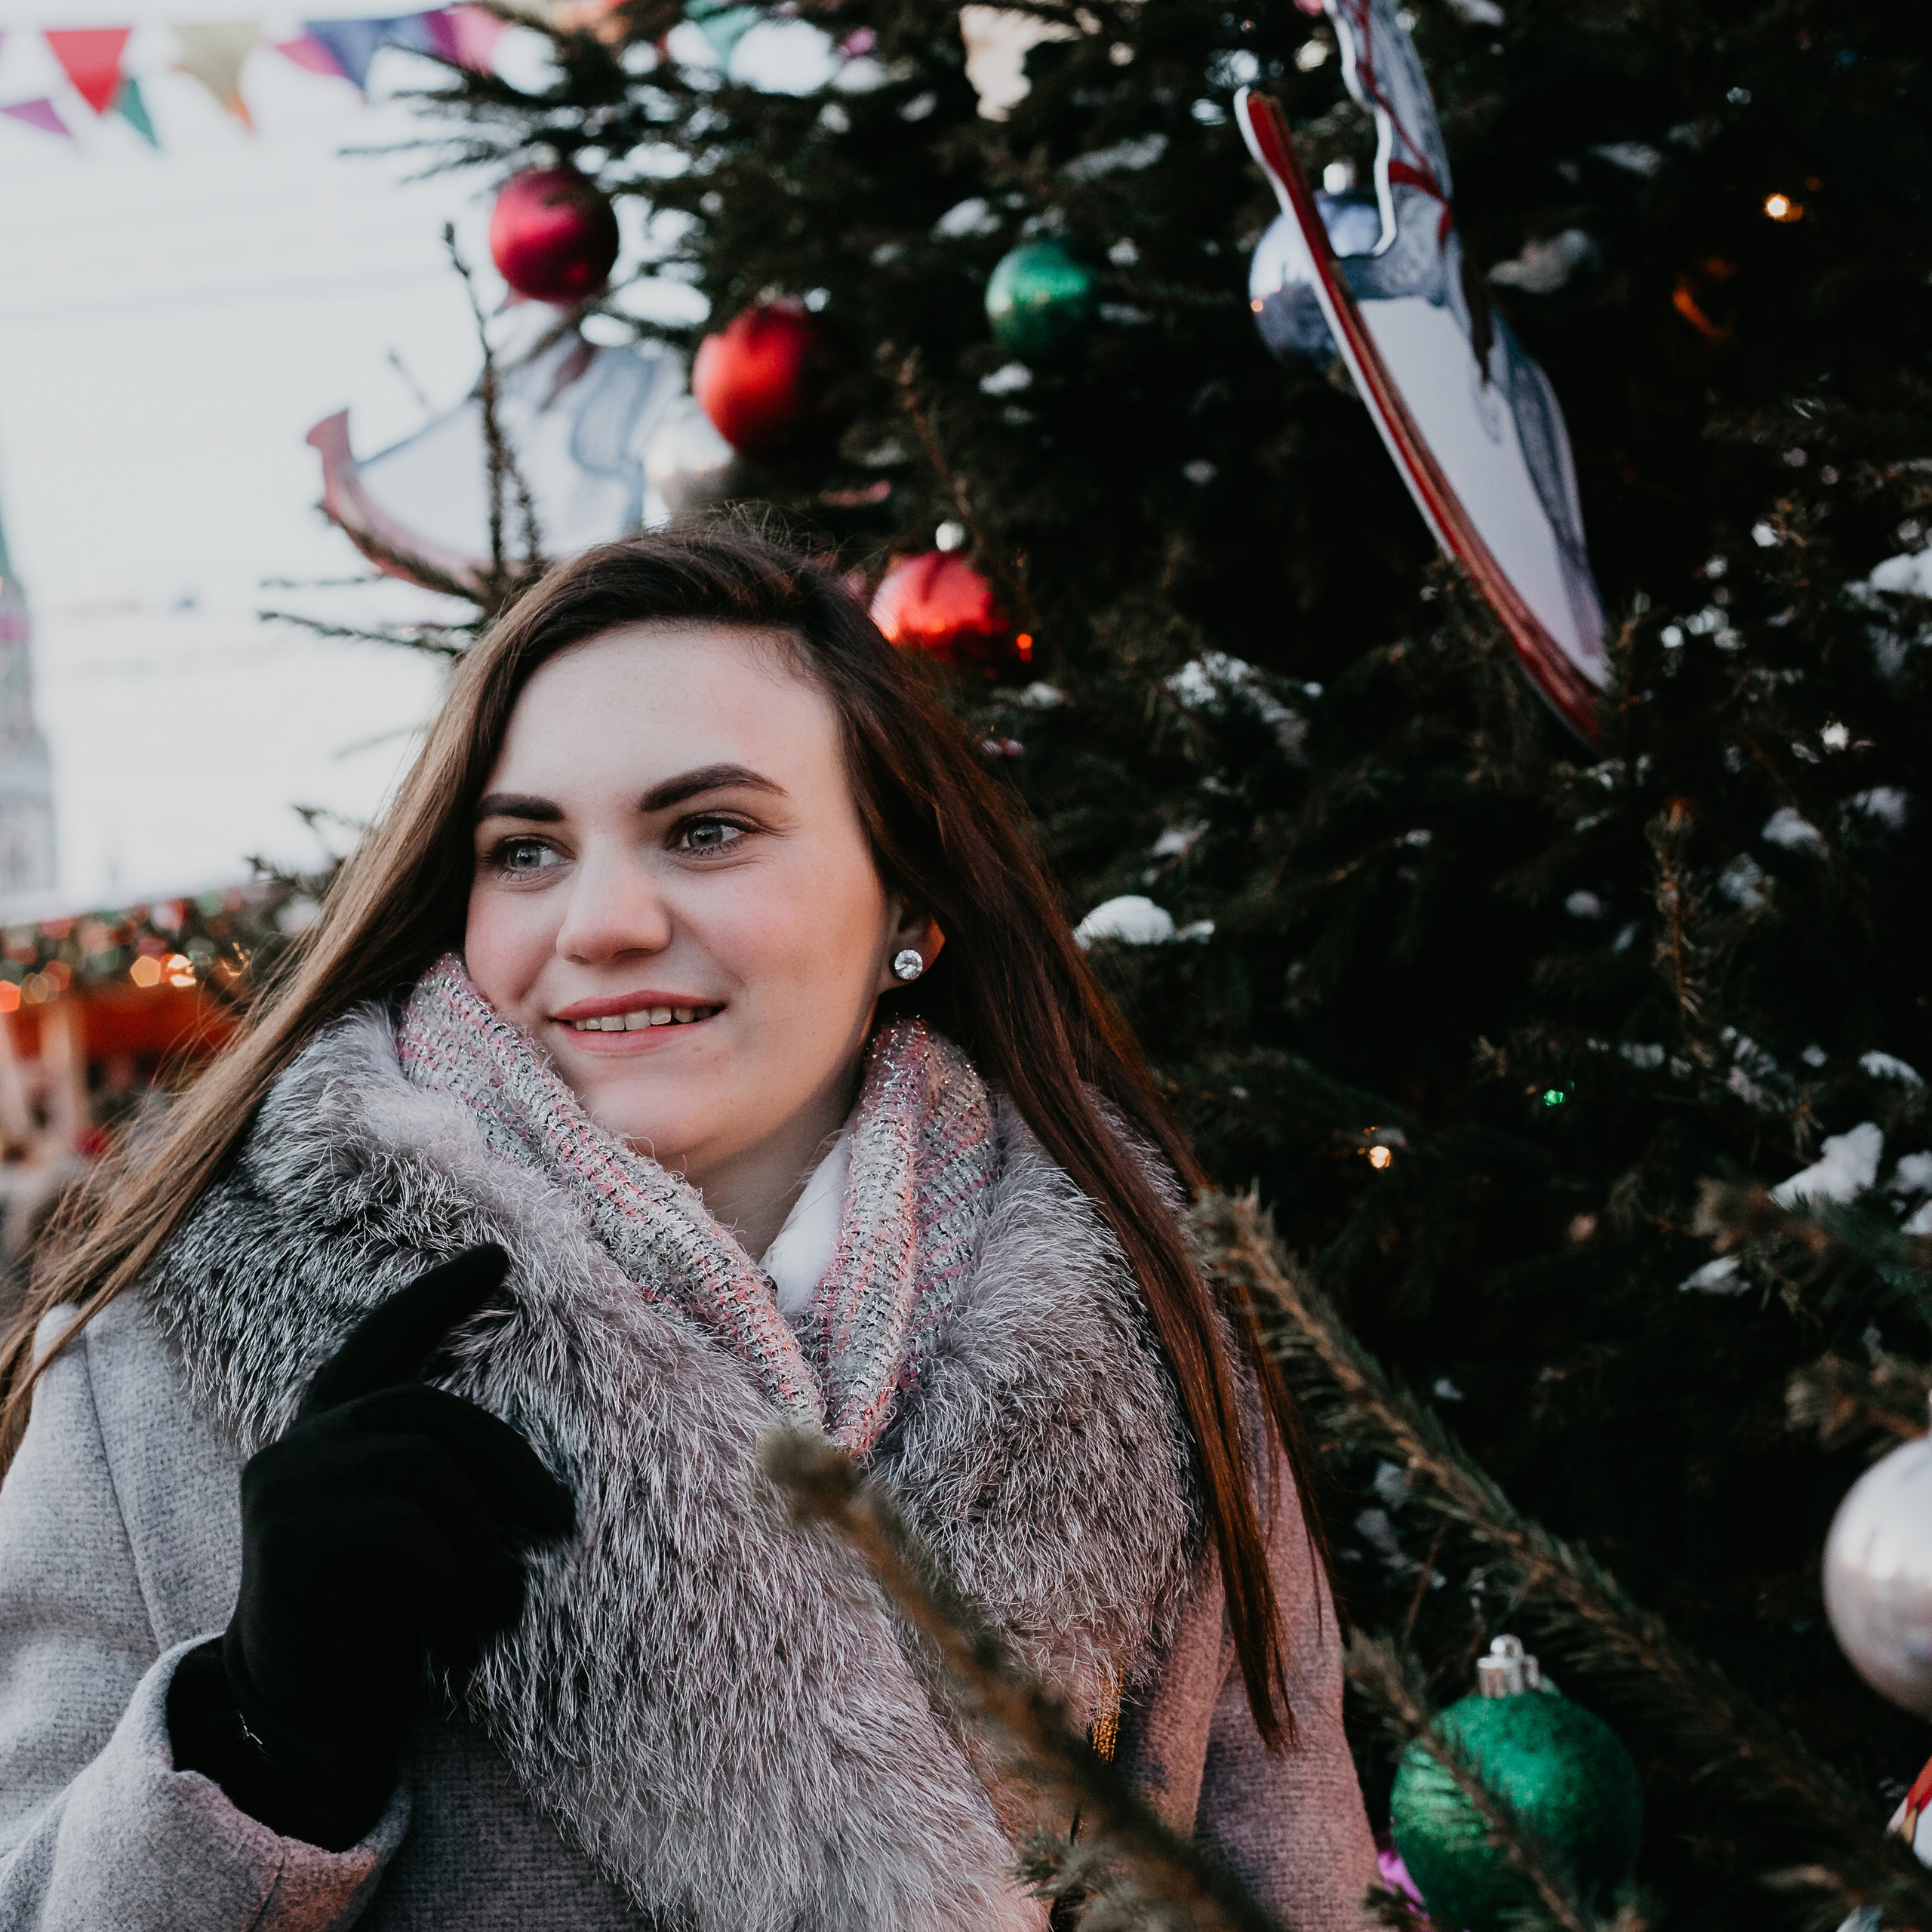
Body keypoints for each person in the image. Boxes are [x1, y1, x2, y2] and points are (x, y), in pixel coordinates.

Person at [0, 527, 1377, 1931]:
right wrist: (253, 1742)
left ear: (909, 898)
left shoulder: (1154, 1342)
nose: (598, 922)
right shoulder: (160, 1361)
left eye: (706, 829)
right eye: (525, 850)